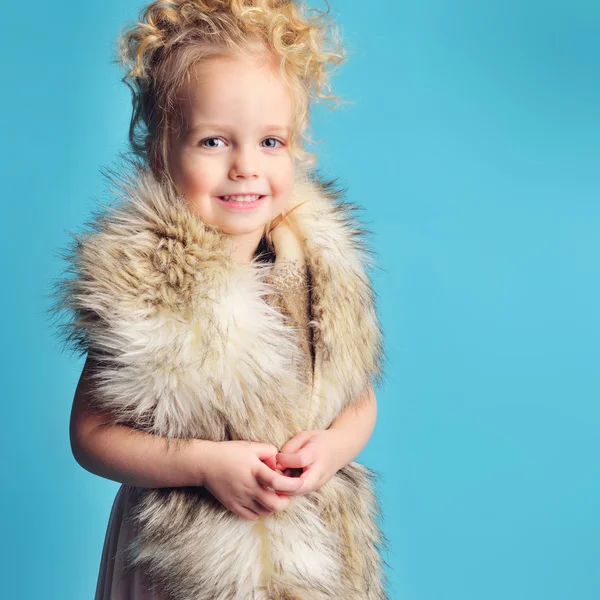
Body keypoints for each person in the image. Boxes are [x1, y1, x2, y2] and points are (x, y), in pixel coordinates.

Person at [53, 1, 389, 598]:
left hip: (312, 555)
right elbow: (92, 434)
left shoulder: (318, 271)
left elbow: (356, 401)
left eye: (269, 141)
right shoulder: (145, 283)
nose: (245, 167)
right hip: (183, 559)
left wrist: (332, 449)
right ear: (161, 148)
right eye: (213, 141)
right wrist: (205, 465)